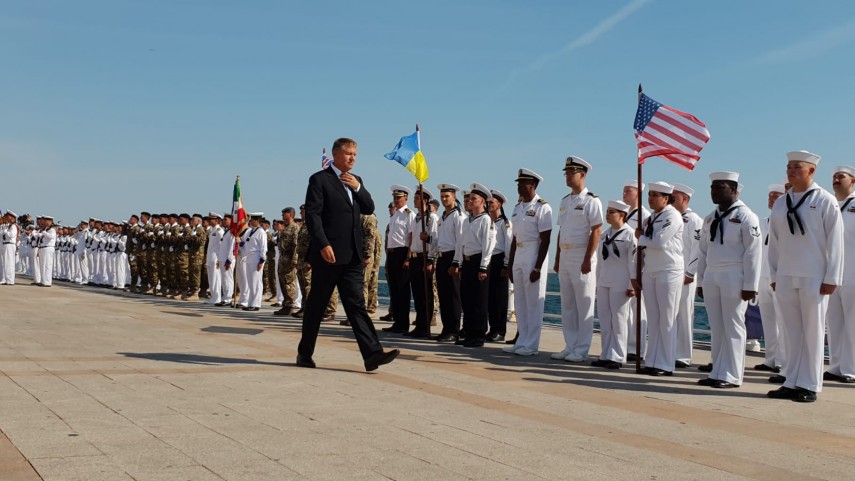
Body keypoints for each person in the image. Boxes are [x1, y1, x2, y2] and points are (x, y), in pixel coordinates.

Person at [297, 137, 399, 371]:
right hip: (328, 255)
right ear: (336, 154)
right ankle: (305, 353)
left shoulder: (356, 180)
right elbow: (313, 215)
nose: (353, 158)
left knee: (357, 305)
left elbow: (369, 207)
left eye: (355, 154)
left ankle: (372, 354)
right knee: (316, 306)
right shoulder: (319, 180)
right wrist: (322, 244)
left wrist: (358, 188)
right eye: (348, 153)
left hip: (352, 256)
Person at [767, 150, 843, 402]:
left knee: (812, 331)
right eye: (788, 166)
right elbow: (775, 242)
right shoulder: (781, 202)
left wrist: (832, 276)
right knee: (791, 331)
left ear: (811, 171)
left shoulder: (824, 200)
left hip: (814, 275)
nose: (790, 170)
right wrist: (775, 273)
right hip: (787, 274)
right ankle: (791, 380)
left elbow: (835, 241)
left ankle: (810, 384)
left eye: (796, 167)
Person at [694, 172, 762, 389]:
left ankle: (732, 375)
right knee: (717, 325)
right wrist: (701, 280)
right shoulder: (709, 218)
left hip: (735, 273)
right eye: (712, 187)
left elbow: (753, 252)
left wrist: (750, 285)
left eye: (719, 187)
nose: (714, 192)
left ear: (733, 191)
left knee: (733, 325)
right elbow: (703, 251)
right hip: (713, 273)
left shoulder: (746, 216)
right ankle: (717, 371)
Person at [552, 156, 602, 363]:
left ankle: (581, 349)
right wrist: (556, 258)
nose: (568, 176)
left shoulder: (591, 200)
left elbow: (597, 230)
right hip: (565, 254)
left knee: (583, 304)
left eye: (571, 173)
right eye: (566, 173)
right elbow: (561, 231)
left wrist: (587, 258)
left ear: (582, 174)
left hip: (582, 255)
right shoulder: (565, 201)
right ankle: (570, 345)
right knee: (568, 304)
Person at [631, 182, 683, 376]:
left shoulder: (672, 215)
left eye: (655, 195)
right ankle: (652, 360)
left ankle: (666, 364)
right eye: (649, 194)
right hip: (651, 270)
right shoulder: (651, 218)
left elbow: (659, 242)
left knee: (667, 318)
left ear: (666, 198)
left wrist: (640, 237)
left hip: (669, 270)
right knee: (654, 318)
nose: (650, 198)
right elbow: (643, 249)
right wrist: (636, 273)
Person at [503, 169, 552, 356]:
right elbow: (515, 238)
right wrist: (511, 264)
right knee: (520, 302)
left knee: (533, 303)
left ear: (532, 185)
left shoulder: (542, 207)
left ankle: (531, 345)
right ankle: (521, 340)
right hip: (519, 254)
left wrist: (538, 267)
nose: (518, 186)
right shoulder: (518, 208)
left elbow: (546, 239)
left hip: (533, 252)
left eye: (521, 183)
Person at [450, 183, 496, 348]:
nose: (470, 201)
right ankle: (469, 333)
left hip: (478, 262)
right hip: (467, 261)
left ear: (482, 201)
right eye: (469, 199)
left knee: (479, 301)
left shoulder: (485, 220)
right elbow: (461, 243)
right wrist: (458, 262)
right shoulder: (467, 221)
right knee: (467, 300)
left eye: (474, 199)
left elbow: (488, 245)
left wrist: (483, 266)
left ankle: (478, 335)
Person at [593, 201, 636, 369]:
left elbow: (633, 261)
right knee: (605, 319)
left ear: (622, 215)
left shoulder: (630, 235)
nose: (608, 214)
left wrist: (631, 284)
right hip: (605, 280)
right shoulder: (604, 234)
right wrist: (597, 283)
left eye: (612, 212)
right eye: (607, 211)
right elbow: (599, 262)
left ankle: (617, 356)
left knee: (619, 320)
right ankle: (605, 353)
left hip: (621, 280)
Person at [825, 164, 855, 383]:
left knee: (853, 323)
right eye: (834, 177)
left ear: (852, 181)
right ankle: (836, 366)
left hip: (853, 272)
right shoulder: (832, 206)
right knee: (834, 321)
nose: (836, 180)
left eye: (841, 177)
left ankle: (852, 368)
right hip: (834, 273)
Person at [755, 184, 786, 373]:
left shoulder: (786, 222)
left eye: (776, 195)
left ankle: (782, 360)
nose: (772, 199)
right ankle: (771, 358)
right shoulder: (761, 223)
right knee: (767, 319)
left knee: (783, 321)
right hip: (763, 276)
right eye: (770, 196)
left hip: (779, 277)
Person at [672, 184, 703, 369]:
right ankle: (670, 350)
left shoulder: (693, 220)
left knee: (684, 314)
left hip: (685, 276)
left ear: (685, 199)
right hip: (671, 274)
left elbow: (698, 249)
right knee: (671, 315)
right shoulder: (671, 218)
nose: (670, 200)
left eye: (674, 198)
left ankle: (683, 355)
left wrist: (690, 273)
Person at [404, 186, 439, 337]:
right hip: (415, 257)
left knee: (426, 294)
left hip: (425, 257)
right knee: (417, 294)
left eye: (417, 198)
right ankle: (419, 324)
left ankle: (425, 327)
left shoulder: (431, 218)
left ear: (425, 200)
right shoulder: (417, 217)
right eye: (415, 198)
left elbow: (435, 240)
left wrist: (430, 259)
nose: (415, 200)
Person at [434, 184, 465, 342]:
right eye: (442, 196)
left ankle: (454, 330)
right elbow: (441, 239)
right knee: (443, 295)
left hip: (452, 256)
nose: (444, 199)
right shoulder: (442, 217)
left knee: (453, 296)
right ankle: (446, 328)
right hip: (441, 256)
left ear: (454, 197)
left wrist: (456, 263)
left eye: (447, 196)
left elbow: (460, 241)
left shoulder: (458, 216)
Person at [383, 185, 415, 333]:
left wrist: (408, 257)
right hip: (392, 254)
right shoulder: (395, 215)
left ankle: (403, 324)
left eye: (398, 197)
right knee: (394, 290)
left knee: (402, 290)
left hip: (402, 253)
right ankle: (397, 321)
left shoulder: (409, 215)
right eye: (394, 197)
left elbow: (412, 237)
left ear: (405, 198)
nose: (396, 200)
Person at [623, 179, 650, 362]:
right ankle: (625, 345)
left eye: (628, 191)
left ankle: (637, 348)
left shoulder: (644, 215)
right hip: (623, 266)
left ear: (638, 192)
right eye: (623, 190)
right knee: (625, 311)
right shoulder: (623, 212)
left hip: (637, 265)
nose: (624, 193)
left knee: (638, 310)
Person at [487, 189, 512, 342]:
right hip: (490, 259)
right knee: (490, 297)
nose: (489, 204)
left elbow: (508, 244)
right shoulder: (488, 222)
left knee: (500, 298)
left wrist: (506, 265)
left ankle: (500, 330)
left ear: (500, 204)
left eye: (492, 202)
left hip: (500, 260)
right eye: (488, 202)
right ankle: (492, 328)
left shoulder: (505, 223)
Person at [274, 208, 300, 316]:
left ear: (290, 215)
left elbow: (296, 246)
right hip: (282, 259)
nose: (282, 215)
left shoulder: (294, 228)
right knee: (283, 283)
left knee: (289, 283)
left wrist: (294, 260)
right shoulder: (285, 228)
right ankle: (286, 304)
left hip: (289, 259)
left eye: (284, 213)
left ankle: (290, 306)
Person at [243, 213, 267, 311]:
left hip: (257, 258)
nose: (251, 221)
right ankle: (250, 303)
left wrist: (261, 260)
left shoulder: (261, 232)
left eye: (253, 220)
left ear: (257, 221)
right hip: (249, 258)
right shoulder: (250, 231)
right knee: (250, 281)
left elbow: (263, 247)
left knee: (256, 281)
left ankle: (256, 304)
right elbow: (245, 242)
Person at [206, 213, 224, 305]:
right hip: (210, 258)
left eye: (211, 219)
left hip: (216, 258)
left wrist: (219, 259)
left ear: (216, 220)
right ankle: (213, 297)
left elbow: (222, 246)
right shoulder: (212, 230)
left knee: (216, 278)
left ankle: (217, 298)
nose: (209, 221)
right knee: (211, 278)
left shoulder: (219, 231)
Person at [1, 211, 18, 285]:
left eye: (8, 216)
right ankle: (7, 279)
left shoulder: (13, 226)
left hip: (10, 245)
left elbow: (11, 235)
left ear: (12, 218)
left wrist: (5, 232)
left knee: (9, 263)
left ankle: (10, 280)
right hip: (6, 244)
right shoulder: (9, 226)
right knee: (6, 263)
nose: (7, 218)